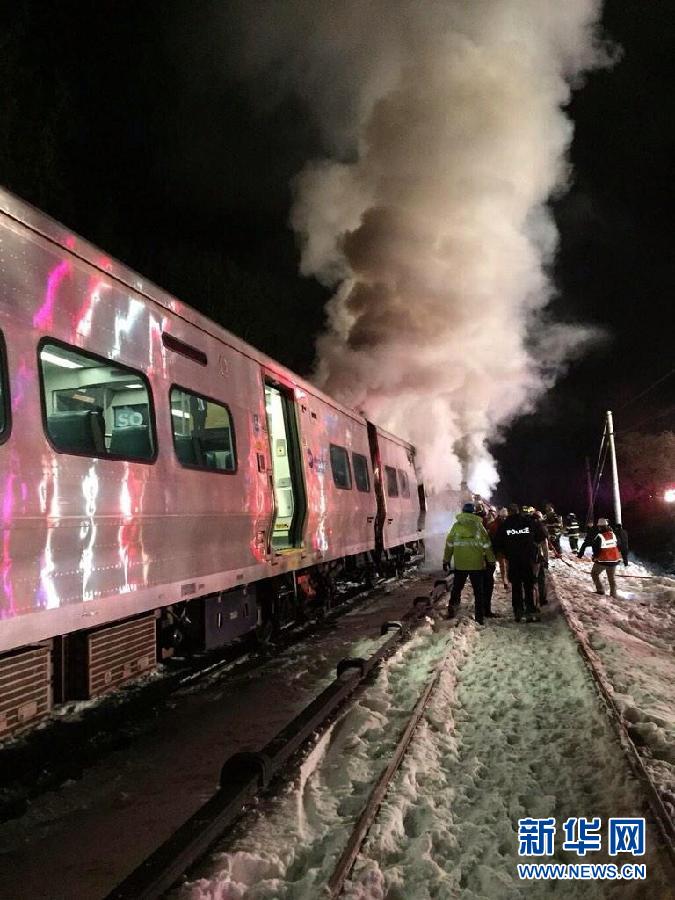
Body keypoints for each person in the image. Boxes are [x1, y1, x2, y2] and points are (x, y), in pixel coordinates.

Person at [443, 502, 495, 624]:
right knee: (478, 592)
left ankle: (452, 607)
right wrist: (491, 561)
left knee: (457, 588)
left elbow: (449, 545)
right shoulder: (479, 527)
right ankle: (479, 617)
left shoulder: (456, 526)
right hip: (476, 565)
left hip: (460, 565)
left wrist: (446, 560)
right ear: (473, 512)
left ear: (463, 512)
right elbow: (487, 546)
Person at [494, 504, 548, 622]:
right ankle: (530, 611)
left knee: (516, 586)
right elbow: (543, 535)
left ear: (509, 512)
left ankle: (518, 611)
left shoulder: (505, 525)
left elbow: (497, 543)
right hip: (528, 560)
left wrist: (506, 552)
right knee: (529, 585)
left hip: (513, 560)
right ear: (518, 511)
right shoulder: (528, 521)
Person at [577, 517, 625, 598]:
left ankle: (600, 590)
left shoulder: (599, 536)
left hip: (604, 560)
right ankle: (613, 594)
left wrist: (594, 557)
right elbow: (619, 545)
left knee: (594, 573)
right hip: (614, 560)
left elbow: (596, 549)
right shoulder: (613, 534)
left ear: (599, 527)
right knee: (612, 578)